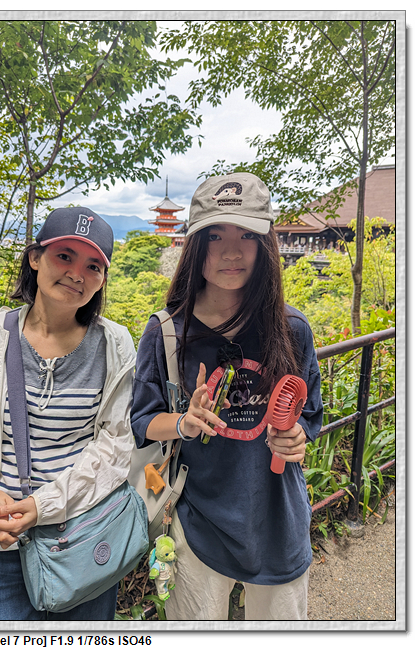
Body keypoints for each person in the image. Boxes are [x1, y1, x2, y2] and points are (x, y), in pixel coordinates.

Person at [131, 173, 323, 621]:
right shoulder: (167, 332)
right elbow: (142, 421)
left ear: (266, 244)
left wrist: (296, 435)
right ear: (195, 245)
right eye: (215, 236)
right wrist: (184, 421)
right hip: (198, 523)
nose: (231, 251)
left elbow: (309, 412)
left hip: (277, 520)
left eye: (247, 236)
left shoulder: (292, 329)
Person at [0, 207, 136, 621]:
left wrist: (41, 506)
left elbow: (116, 444)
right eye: (64, 256)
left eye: (93, 266)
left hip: (83, 539)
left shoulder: (115, 345)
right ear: (35, 258)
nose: (77, 274)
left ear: (103, 278)